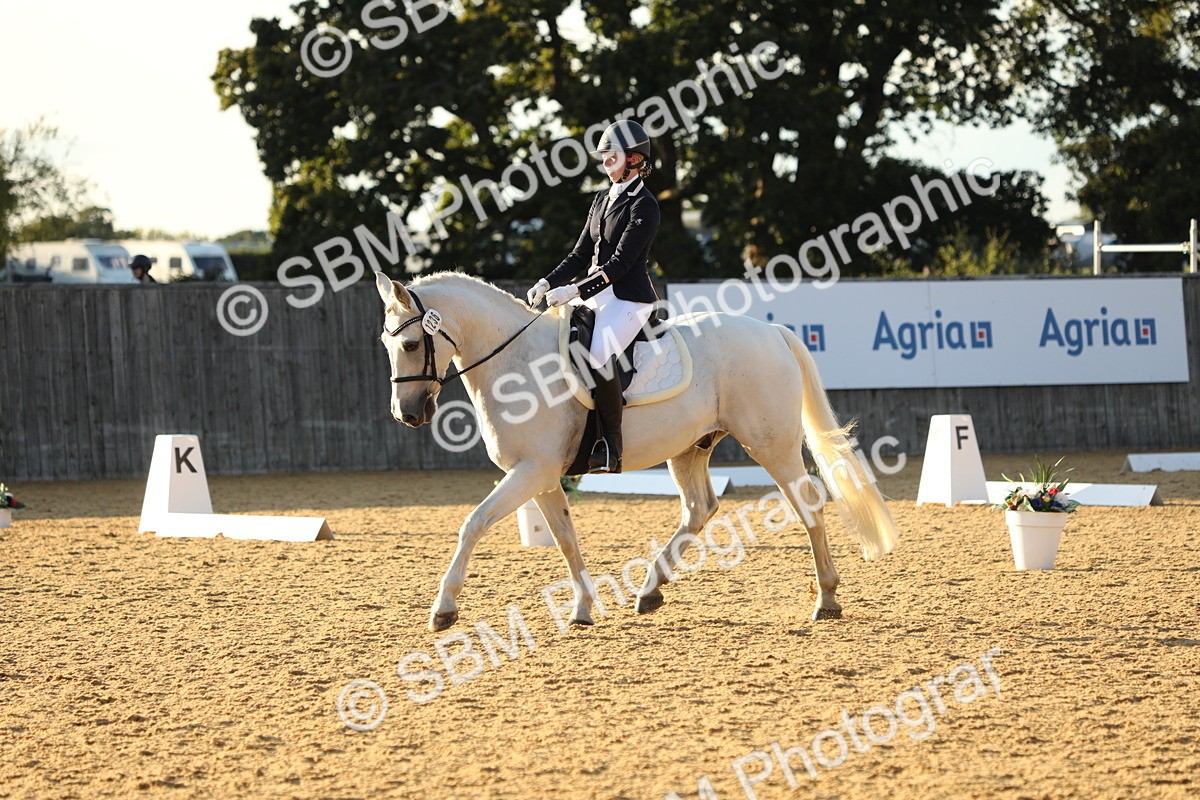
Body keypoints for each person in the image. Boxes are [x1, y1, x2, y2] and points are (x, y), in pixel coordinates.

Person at [527, 119, 661, 474]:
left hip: (628, 299)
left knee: (599, 352)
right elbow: (580, 253)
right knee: (555, 341)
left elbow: (620, 264)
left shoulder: (645, 206)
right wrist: (547, 280)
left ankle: (611, 447)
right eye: (602, 157)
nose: (604, 163)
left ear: (633, 159)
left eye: (610, 157)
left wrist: (575, 289)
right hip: (595, 294)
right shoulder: (603, 199)